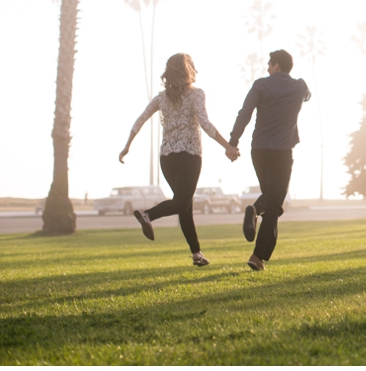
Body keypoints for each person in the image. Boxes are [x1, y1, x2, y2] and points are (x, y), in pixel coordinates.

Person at [119, 53, 240, 266]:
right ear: (187, 70)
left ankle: (197, 254)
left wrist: (127, 145)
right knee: (182, 202)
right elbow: (205, 124)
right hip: (189, 156)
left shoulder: (160, 98)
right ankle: (147, 215)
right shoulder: (196, 95)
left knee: (184, 205)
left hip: (167, 159)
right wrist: (228, 146)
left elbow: (140, 120)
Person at [229, 49, 310, 271]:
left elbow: (244, 112)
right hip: (282, 151)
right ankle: (258, 257)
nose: (267, 68)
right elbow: (308, 94)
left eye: (269, 64)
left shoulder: (260, 85)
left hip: (259, 151)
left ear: (276, 66)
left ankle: (254, 211)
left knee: (270, 196)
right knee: (274, 205)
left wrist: (233, 141)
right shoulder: (299, 86)